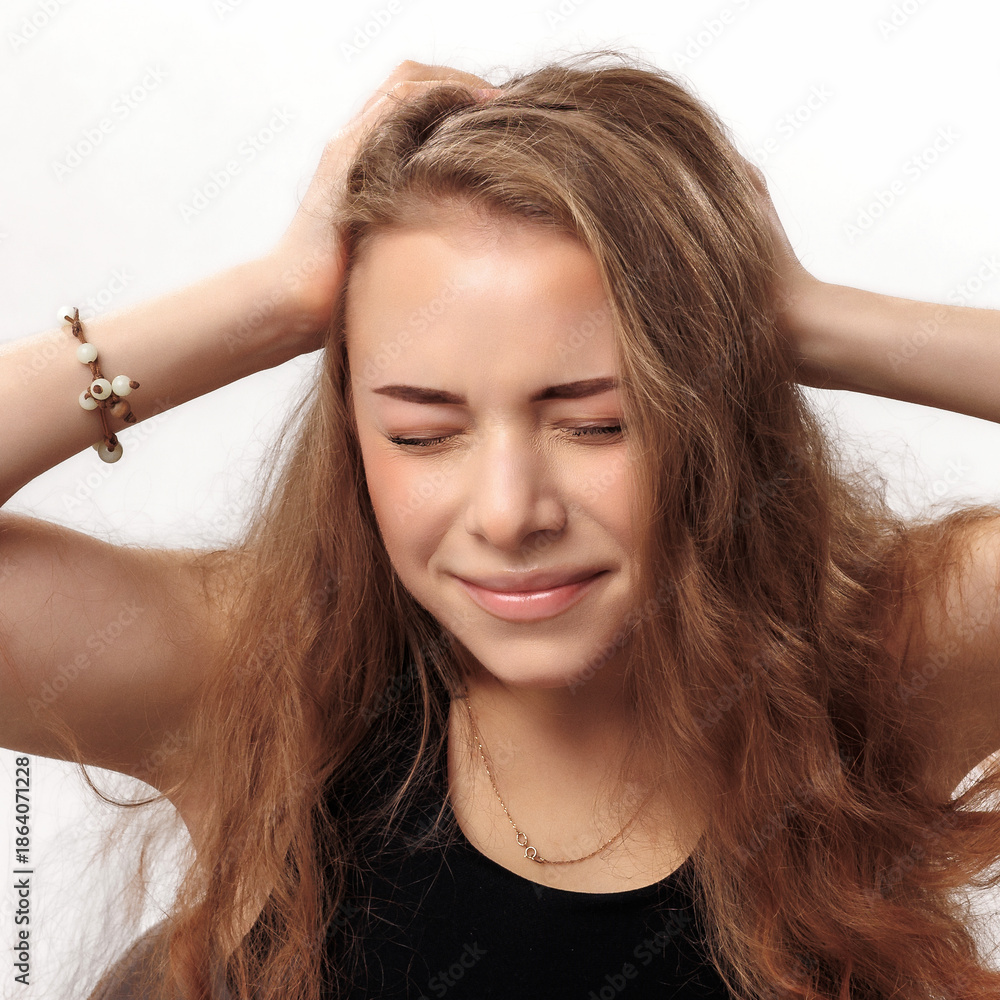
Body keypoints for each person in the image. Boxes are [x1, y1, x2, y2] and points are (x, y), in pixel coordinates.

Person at [3, 49, 1000, 1000]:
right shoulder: (253, 672)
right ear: (353, 435)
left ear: (712, 411)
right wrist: (273, 300)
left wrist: (796, 316)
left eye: (597, 422)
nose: (510, 512)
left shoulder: (886, 658)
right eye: (422, 433)